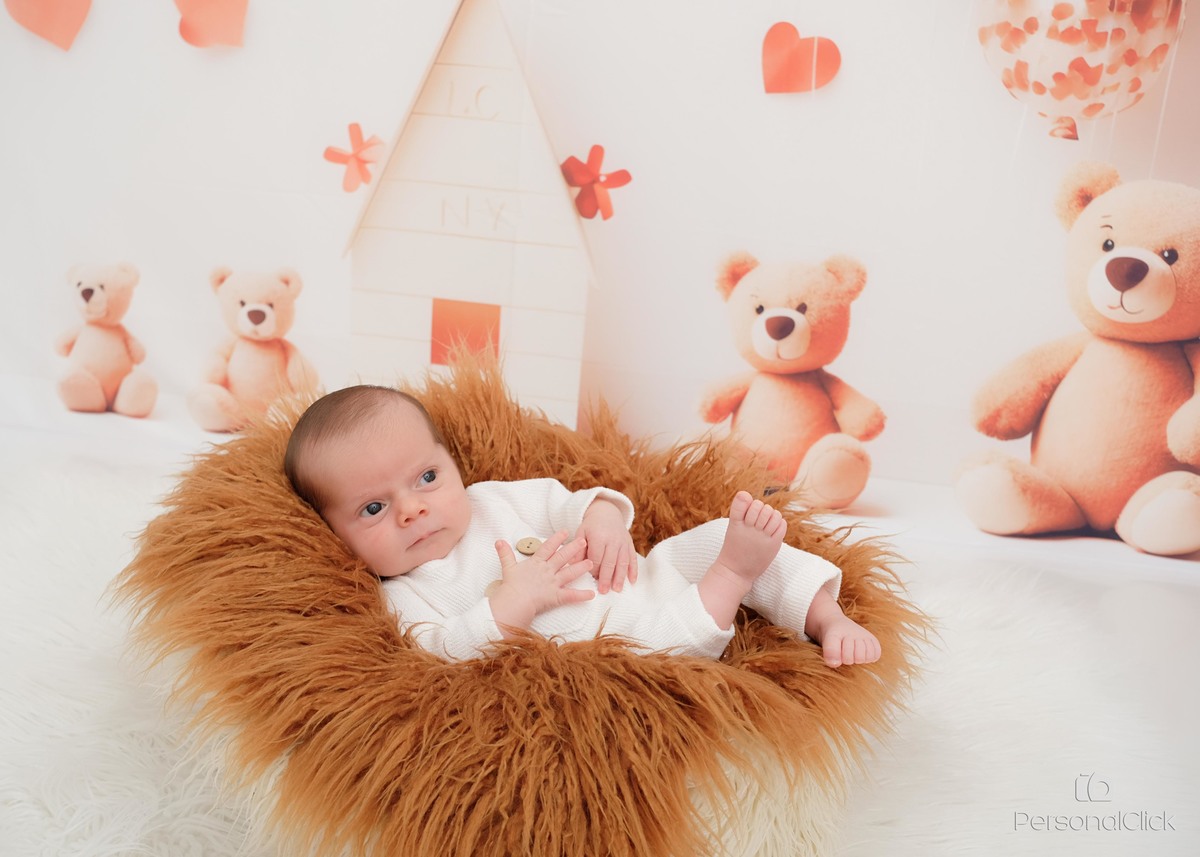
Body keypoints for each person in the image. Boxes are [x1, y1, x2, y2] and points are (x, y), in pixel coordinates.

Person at [284, 385, 881, 666]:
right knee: (666, 638)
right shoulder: (405, 594)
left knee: (713, 540)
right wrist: (512, 604)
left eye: (426, 477)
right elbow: (443, 652)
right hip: (612, 643)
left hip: (644, 577)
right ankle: (730, 580)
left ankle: (824, 616)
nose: (411, 509)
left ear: (452, 463)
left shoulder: (494, 500)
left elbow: (576, 501)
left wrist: (604, 521)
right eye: (373, 509)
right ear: (332, 531)